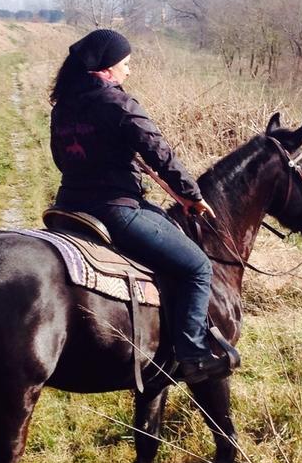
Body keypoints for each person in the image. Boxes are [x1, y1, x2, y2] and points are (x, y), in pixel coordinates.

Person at [49, 28, 239, 383]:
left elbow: (62, 160)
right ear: (105, 69)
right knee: (197, 266)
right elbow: (159, 152)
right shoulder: (119, 103)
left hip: (68, 208)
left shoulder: (63, 107)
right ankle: (193, 355)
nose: (128, 71)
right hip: (115, 209)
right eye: (125, 64)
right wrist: (192, 195)